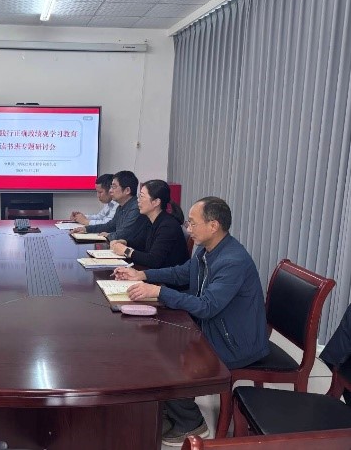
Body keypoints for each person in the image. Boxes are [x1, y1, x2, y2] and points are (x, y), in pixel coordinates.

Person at [114, 196, 269, 446]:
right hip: (214, 328)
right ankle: (168, 407)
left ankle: (190, 423)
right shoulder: (206, 250)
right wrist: (142, 274)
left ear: (213, 225)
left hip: (235, 342)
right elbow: (182, 272)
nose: (188, 228)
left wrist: (159, 292)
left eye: (193, 223)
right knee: (151, 341)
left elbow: (207, 307)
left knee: (166, 356)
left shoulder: (232, 261)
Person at [110, 180, 189, 276]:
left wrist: (126, 251)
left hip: (166, 280)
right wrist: (125, 242)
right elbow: (141, 243)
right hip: (153, 274)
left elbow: (154, 260)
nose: (138, 200)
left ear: (156, 202)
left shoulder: (168, 226)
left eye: (141, 196)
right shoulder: (150, 220)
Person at [70, 170, 148, 249]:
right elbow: (110, 226)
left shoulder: (136, 208)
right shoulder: (120, 207)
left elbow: (124, 234)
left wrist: (109, 235)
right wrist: (86, 229)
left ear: (127, 190)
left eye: (114, 187)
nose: (110, 191)